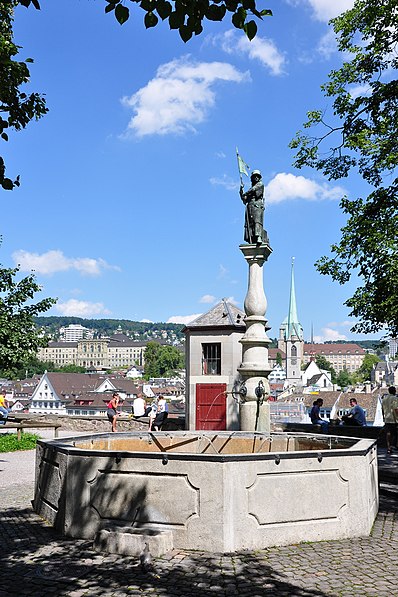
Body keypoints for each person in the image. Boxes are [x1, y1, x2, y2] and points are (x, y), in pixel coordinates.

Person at [240, 170, 268, 245]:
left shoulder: (260, 184)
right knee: (251, 222)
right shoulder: (250, 190)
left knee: (257, 220)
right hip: (250, 206)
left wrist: (245, 193)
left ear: (259, 178)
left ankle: (258, 236)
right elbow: (244, 200)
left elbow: (253, 189)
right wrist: (241, 191)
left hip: (257, 205)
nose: (256, 177)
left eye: (257, 176)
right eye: (254, 176)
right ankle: (252, 237)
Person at [382, 386, 398, 454]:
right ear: (394, 391)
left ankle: (389, 447)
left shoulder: (384, 399)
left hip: (387, 419)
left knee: (388, 434)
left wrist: (384, 418)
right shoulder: (395, 398)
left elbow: (382, 410)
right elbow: (396, 409)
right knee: (396, 434)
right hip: (394, 419)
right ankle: (394, 446)